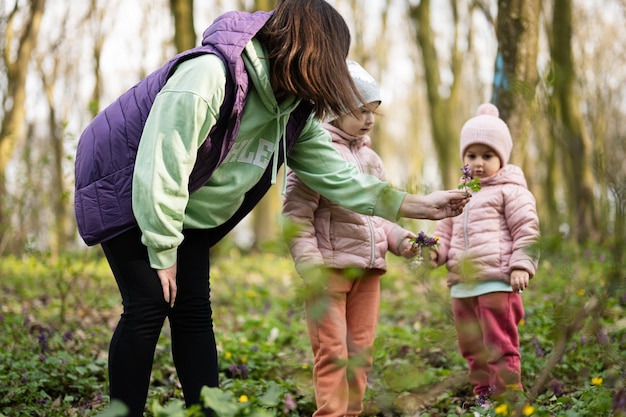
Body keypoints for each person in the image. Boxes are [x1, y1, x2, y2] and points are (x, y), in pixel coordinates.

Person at [74, 1, 470, 415]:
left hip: (183, 205)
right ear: (309, 49)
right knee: (149, 304)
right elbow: (161, 164)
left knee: (193, 311)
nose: (335, 72)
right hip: (124, 185)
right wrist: (162, 247)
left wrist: (416, 205)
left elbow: (341, 178)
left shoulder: (295, 111)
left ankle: (206, 411)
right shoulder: (209, 74)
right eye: (333, 59)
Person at [282, 61, 420, 417]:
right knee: (332, 351)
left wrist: (402, 239)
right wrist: (310, 266)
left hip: (368, 273)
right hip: (329, 271)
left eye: (373, 111)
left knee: (361, 350)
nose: (369, 119)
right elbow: (296, 217)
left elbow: (378, 216)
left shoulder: (371, 159)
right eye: (361, 111)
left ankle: (353, 411)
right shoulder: (314, 153)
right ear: (334, 108)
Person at [429, 103, 540, 404]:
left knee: (499, 341)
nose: (478, 162)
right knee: (472, 346)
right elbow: (445, 232)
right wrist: (435, 253)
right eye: (471, 155)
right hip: (462, 285)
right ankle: (484, 396)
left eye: (487, 155)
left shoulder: (511, 191)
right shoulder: (459, 195)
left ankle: (508, 397)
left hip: (496, 281)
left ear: (501, 158)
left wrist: (522, 264)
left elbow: (527, 231)